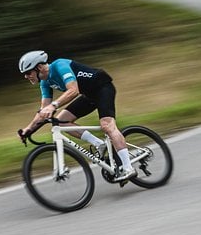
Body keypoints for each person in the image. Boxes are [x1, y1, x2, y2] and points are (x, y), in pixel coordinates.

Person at [16, 50, 136, 181]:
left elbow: (73, 90)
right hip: (89, 95)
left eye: (28, 73)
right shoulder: (45, 83)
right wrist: (28, 130)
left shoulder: (59, 65)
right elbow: (43, 111)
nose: (26, 77)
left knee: (107, 125)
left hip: (103, 88)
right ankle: (99, 144)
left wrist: (54, 105)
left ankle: (128, 168)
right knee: (61, 121)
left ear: (39, 67)